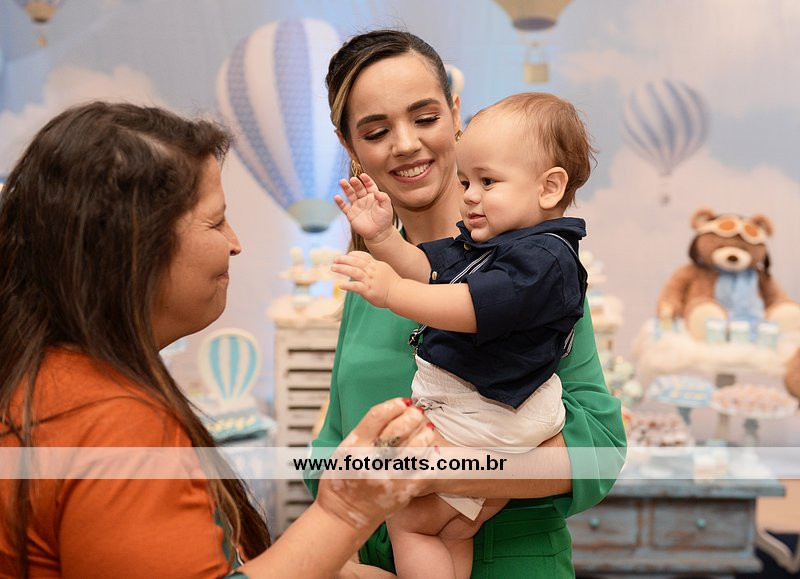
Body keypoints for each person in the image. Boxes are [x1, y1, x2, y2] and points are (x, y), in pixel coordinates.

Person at [0, 101, 437, 579]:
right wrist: (344, 512)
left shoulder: (50, 380)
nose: (235, 243)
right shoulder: (111, 421)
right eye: (215, 221)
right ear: (134, 250)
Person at [305, 29, 626, 578]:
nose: (406, 144)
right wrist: (341, 561)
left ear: (456, 114)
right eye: (377, 131)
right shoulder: (371, 280)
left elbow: (598, 449)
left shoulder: (527, 269)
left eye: (425, 117)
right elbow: (333, 446)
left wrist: (442, 473)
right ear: (350, 147)